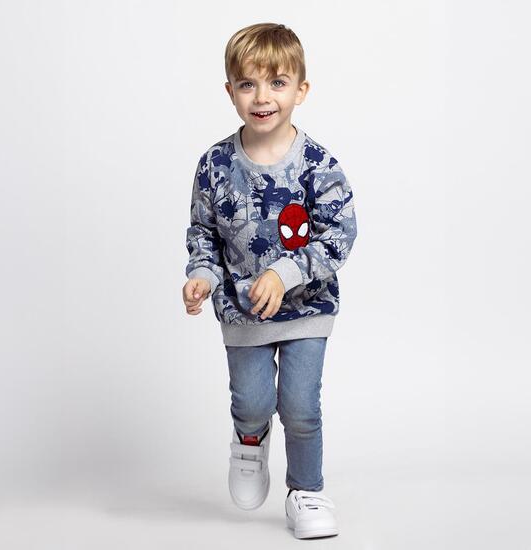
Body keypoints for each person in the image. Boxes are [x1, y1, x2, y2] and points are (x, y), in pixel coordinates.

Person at [182, 22, 357, 539]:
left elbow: (339, 234)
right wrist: (201, 274)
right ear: (230, 91)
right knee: (253, 402)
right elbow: (203, 232)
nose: (262, 97)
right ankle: (249, 439)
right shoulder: (214, 165)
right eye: (248, 84)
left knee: (300, 407)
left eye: (278, 83)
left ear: (301, 90)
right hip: (243, 313)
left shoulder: (318, 165)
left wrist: (285, 271)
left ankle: (306, 490)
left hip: (307, 310)